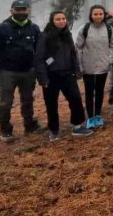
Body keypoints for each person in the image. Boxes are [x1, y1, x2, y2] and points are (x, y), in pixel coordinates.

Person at [0, 0, 43, 143]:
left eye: (24, 9)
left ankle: (29, 125)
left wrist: (36, 69)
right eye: (17, 10)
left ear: (28, 11)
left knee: (28, 99)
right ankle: (5, 130)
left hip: (28, 71)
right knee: (6, 102)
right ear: (11, 11)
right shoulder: (1, 28)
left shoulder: (34, 28)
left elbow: (39, 49)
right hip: (7, 72)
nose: (21, 12)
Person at [34, 11, 93, 141]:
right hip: (51, 76)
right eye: (58, 19)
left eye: (63, 18)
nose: (61, 21)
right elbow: (39, 58)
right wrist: (43, 78)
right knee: (51, 105)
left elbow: (73, 54)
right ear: (52, 21)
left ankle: (77, 126)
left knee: (76, 99)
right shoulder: (45, 36)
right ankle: (53, 130)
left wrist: (77, 70)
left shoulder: (67, 35)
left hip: (67, 74)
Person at [75, 4, 113, 129]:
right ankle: (90, 117)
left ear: (104, 15)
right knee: (89, 92)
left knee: (99, 92)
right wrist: (80, 65)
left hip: (103, 66)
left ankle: (98, 115)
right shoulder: (85, 28)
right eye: (95, 14)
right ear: (91, 15)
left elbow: (112, 46)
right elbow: (78, 47)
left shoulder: (109, 29)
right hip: (88, 66)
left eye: (100, 14)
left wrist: (110, 60)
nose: (98, 16)